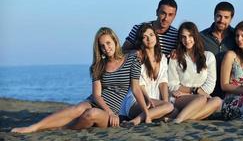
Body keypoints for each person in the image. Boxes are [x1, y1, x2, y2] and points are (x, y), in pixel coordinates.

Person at [11, 27, 148, 133]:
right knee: (78, 108)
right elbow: (96, 95)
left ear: (115, 41)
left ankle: (63, 129)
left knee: (90, 114)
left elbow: (135, 88)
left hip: (116, 112)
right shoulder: (97, 66)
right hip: (100, 104)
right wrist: (108, 111)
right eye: (102, 46)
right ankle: (33, 127)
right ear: (99, 49)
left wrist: (146, 114)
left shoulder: (131, 60)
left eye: (108, 43)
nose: (106, 48)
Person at [168, 22, 222, 123]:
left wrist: (197, 91)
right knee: (201, 99)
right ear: (180, 39)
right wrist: (193, 91)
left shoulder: (208, 57)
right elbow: (172, 85)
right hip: (180, 96)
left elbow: (210, 85)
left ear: (196, 36)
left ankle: (182, 118)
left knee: (217, 101)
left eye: (190, 36)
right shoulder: (175, 57)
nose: (187, 40)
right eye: (183, 37)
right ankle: (179, 119)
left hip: (201, 95)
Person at [120, 24, 174, 125]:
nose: (149, 39)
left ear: (156, 37)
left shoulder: (162, 58)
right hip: (137, 100)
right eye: (145, 37)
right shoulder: (137, 58)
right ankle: (135, 121)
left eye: (151, 35)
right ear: (141, 41)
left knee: (172, 110)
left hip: (155, 100)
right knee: (169, 107)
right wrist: (148, 100)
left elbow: (163, 83)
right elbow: (139, 85)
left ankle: (147, 117)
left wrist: (165, 102)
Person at [201, 1, 236, 99]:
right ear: (214, 16)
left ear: (231, 18)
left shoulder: (237, 37)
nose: (221, 20)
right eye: (219, 16)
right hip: (207, 91)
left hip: (231, 91)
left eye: (226, 17)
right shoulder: (201, 37)